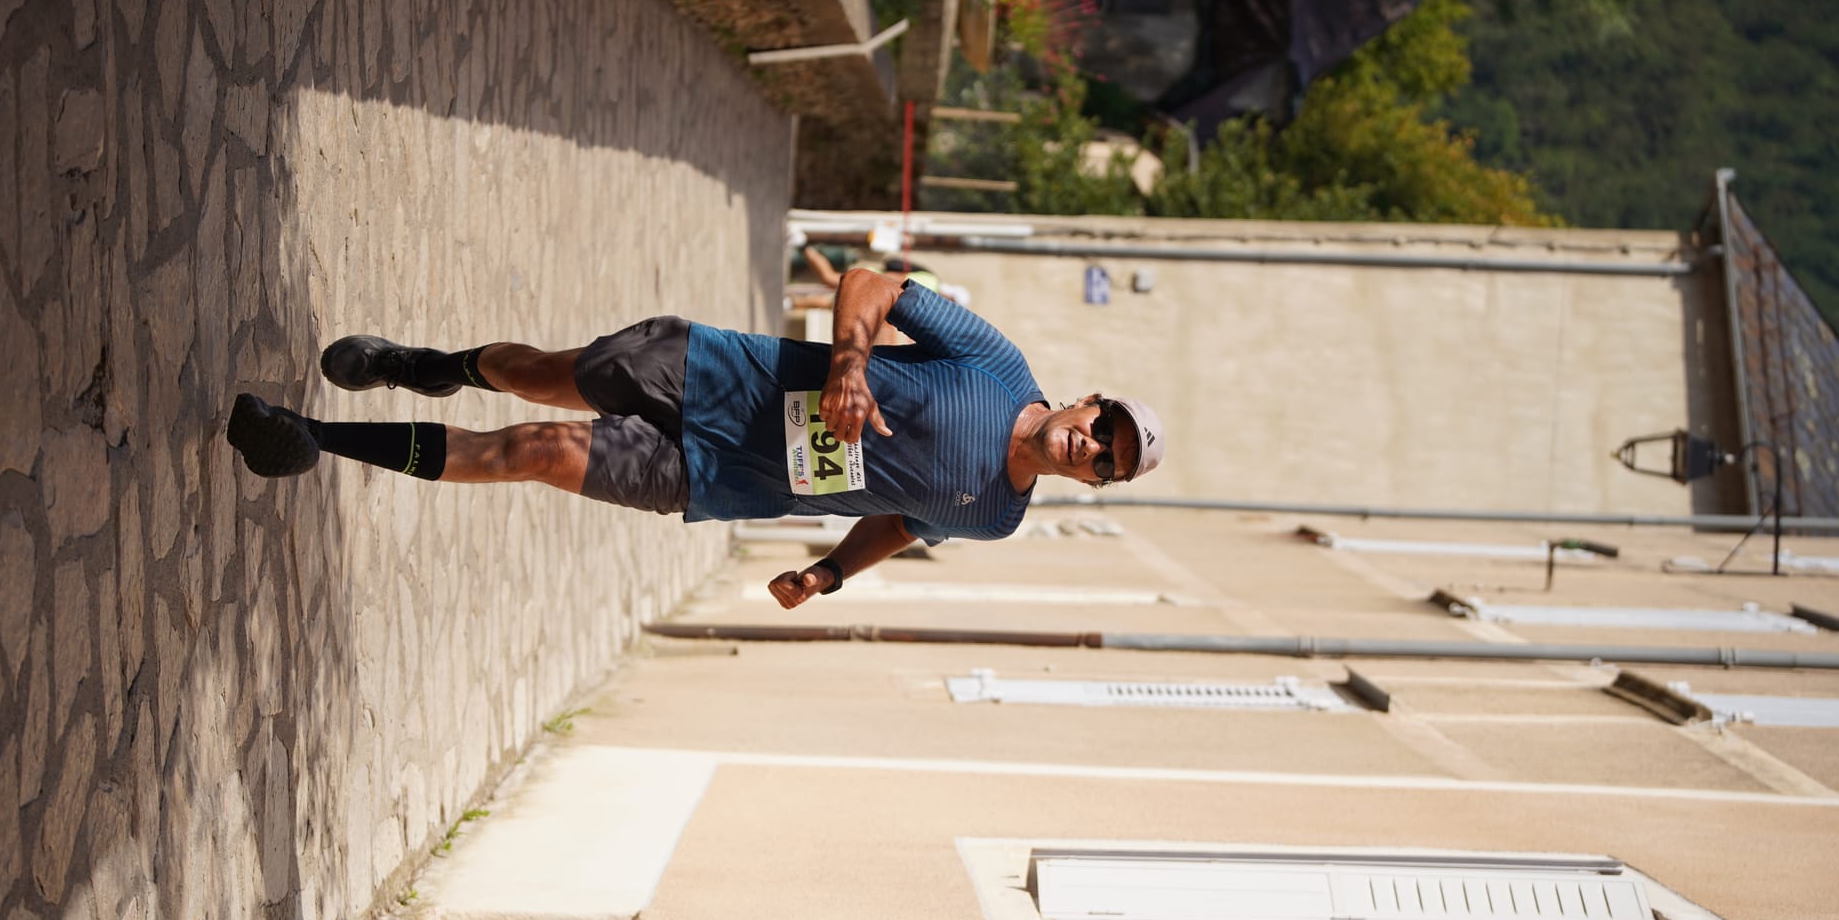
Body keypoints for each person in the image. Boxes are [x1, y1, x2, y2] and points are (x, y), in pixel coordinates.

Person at [226, 270, 1164, 609]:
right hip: (725, 372)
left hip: (723, 473)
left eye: (1109, 462)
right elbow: (873, 286)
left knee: (536, 451)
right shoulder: (998, 367)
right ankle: (438, 365)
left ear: (1097, 483)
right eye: (1103, 427)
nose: (1095, 447)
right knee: (545, 372)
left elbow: (904, 522)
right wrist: (846, 365)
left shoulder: (997, 515)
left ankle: (308, 435)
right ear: (1087, 402)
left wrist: (828, 575)